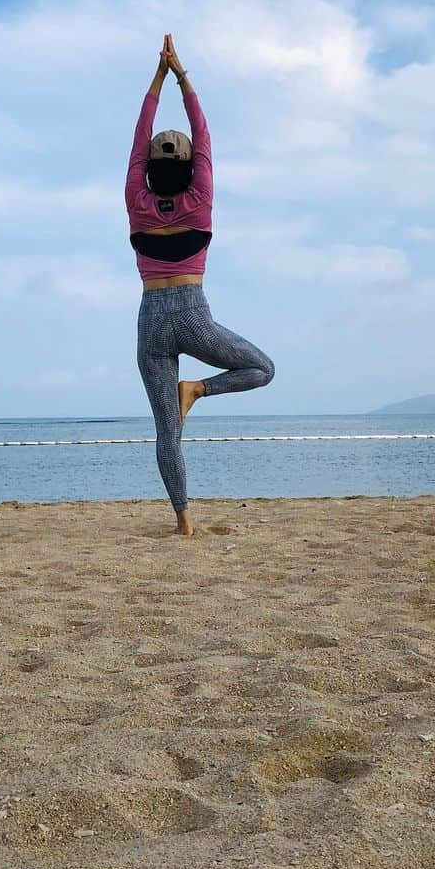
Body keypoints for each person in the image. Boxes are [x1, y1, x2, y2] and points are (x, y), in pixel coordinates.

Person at [126, 33, 275, 536]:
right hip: (193, 315)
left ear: (147, 169)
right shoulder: (201, 196)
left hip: (151, 320)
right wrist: (182, 74)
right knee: (262, 368)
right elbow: (203, 132)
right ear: (191, 166)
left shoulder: (137, 201)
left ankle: (184, 522)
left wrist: (156, 79)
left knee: (166, 430)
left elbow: (137, 141)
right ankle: (200, 389)